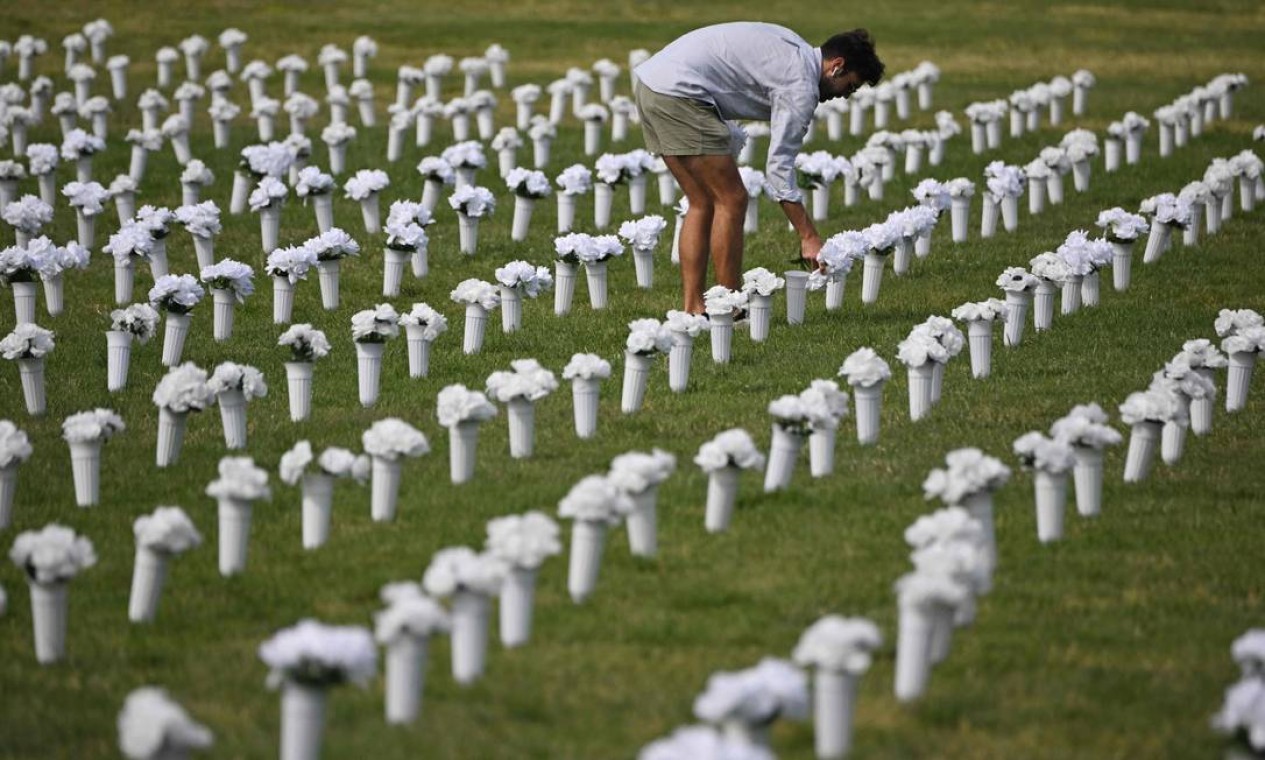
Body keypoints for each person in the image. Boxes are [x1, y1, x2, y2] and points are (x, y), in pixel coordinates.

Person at [634, 24, 884, 313]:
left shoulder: (796, 46)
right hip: (679, 93)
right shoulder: (800, 87)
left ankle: (695, 308)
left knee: (701, 202)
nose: (845, 95)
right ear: (836, 67)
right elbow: (778, 168)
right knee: (732, 199)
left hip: (652, 83)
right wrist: (808, 236)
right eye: (850, 86)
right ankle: (729, 307)